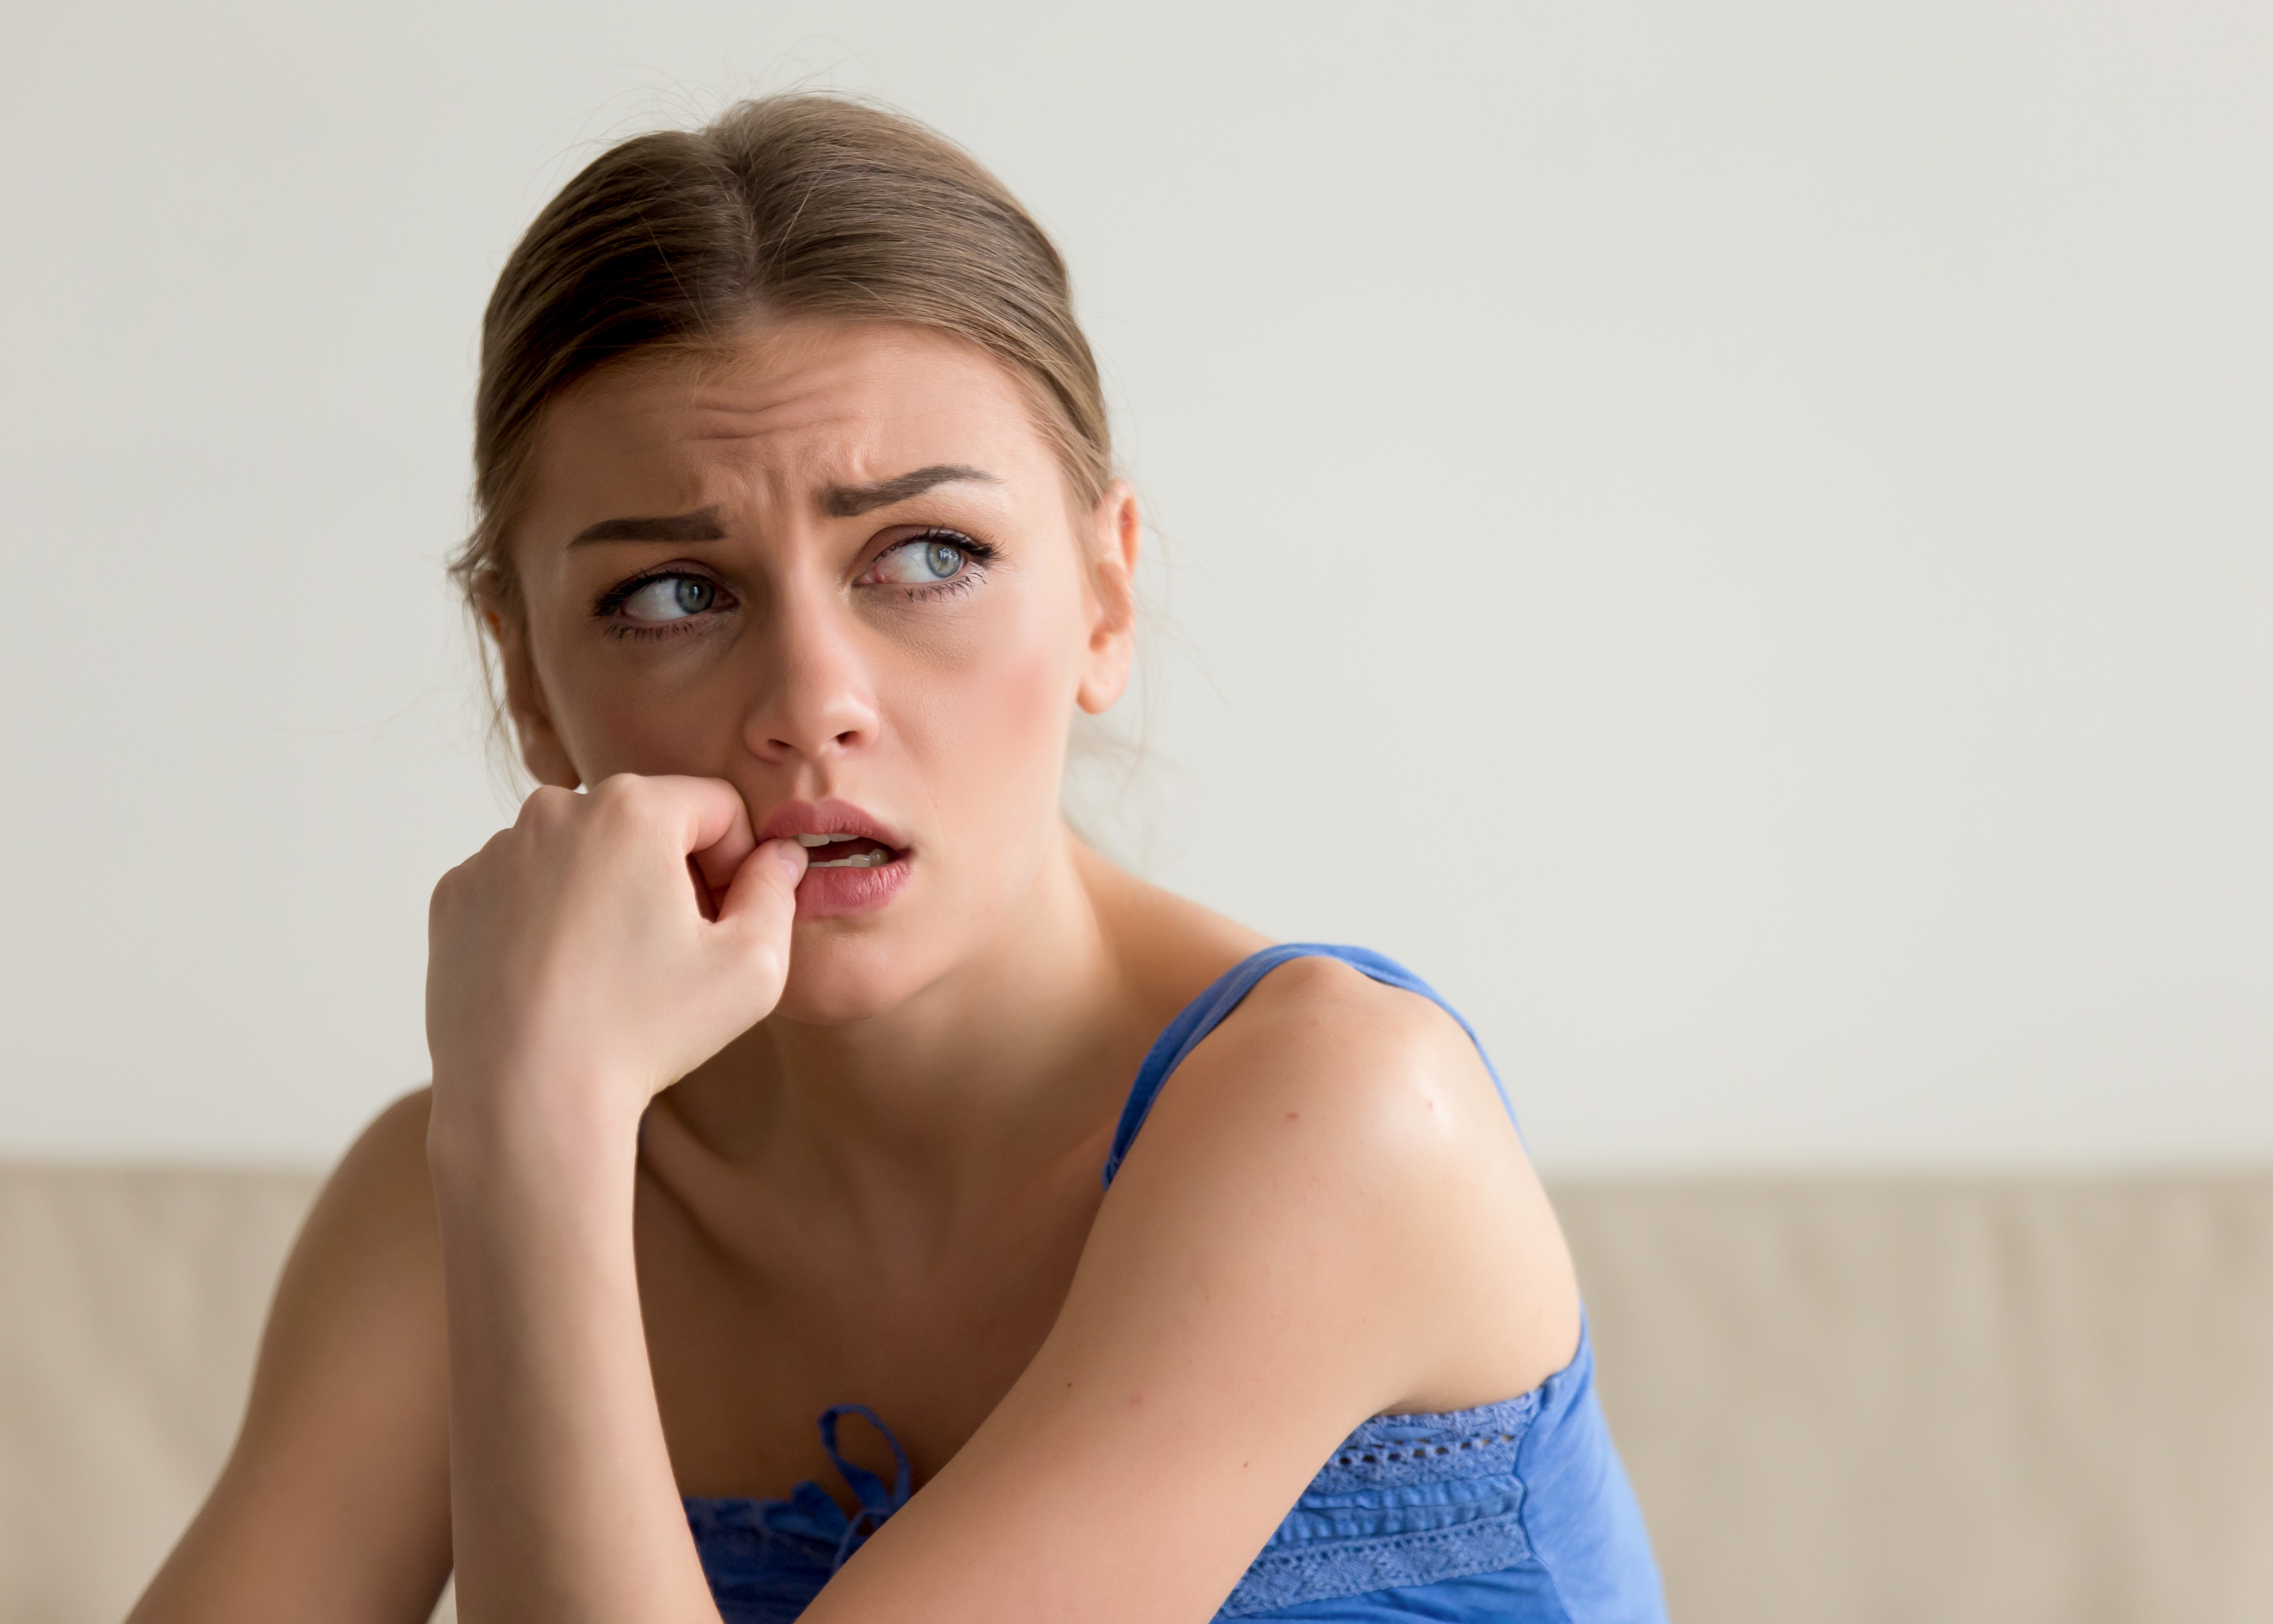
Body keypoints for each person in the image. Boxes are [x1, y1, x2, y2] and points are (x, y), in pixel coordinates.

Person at [128, 94, 1666, 1624]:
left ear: (1105, 599)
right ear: (525, 678)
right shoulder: (456, 1182)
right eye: (671, 594)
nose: (811, 708)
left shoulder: (1340, 1116)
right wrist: (536, 1141)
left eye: (928, 558)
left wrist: (535, 1132)